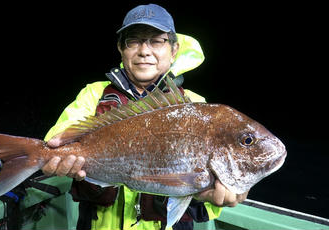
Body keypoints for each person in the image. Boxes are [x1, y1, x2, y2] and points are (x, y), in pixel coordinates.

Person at [42, 4, 248, 230]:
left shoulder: (195, 105)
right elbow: (58, 138)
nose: (144, 51)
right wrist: (54, 155)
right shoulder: (94, 94)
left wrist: (216, 194)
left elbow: (200, 201)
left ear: (174, 49)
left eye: (156, 40)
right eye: (134, 40)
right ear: (121, 48)